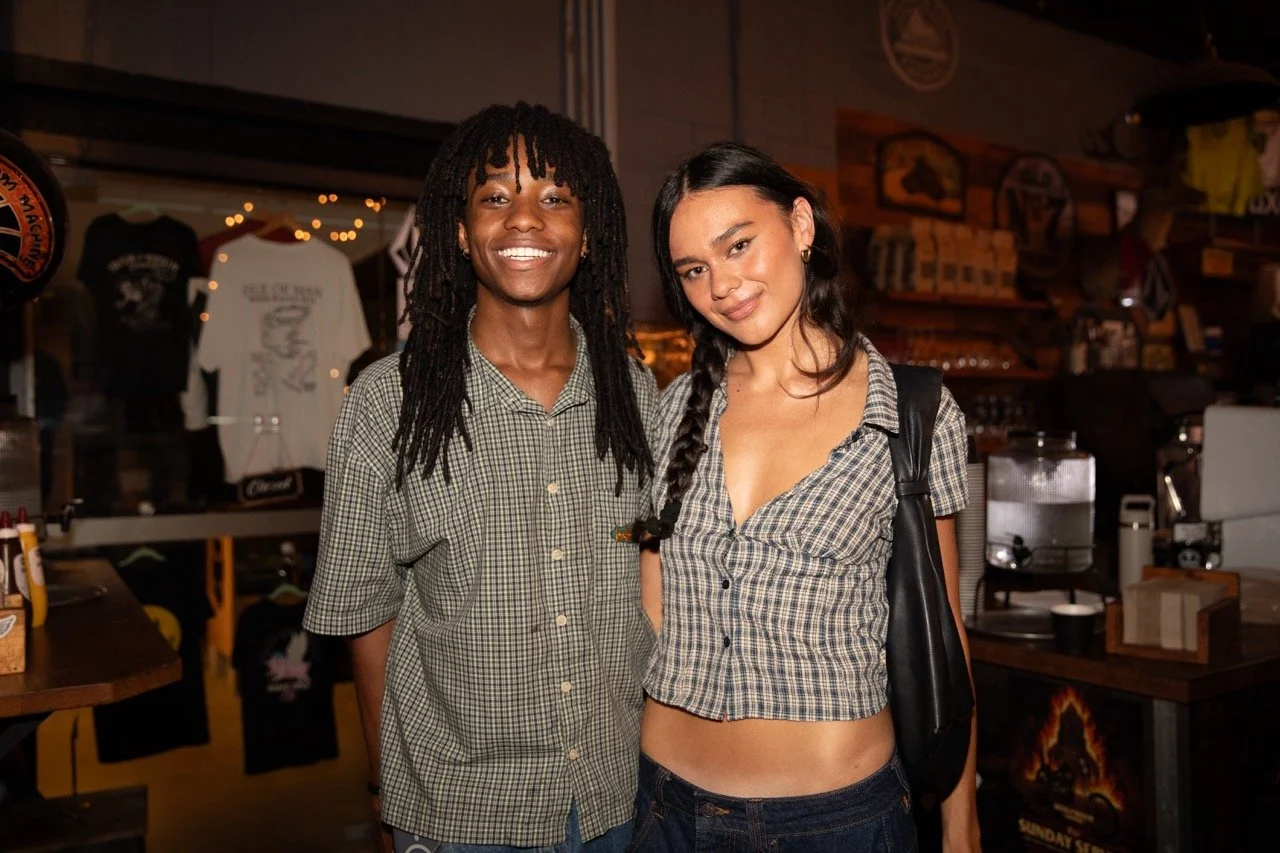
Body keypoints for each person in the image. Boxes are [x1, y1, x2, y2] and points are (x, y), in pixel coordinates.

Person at [302, 102, 659, 853]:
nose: (524, 218)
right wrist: (385, 792)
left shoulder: (636, 395)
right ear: (461, 233)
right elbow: (367, 616)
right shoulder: (388, 402)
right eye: (495, 196)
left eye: (555, 197)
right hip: (460, 814)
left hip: (620, 797)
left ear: (588, 233)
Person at [632, 142, 980, 852]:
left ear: (800, 224)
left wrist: (961, 824)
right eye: (694, 269)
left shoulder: (909, 412)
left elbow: (943, 632)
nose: (722, 284)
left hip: (839, 819)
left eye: (738, 245)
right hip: (668, 809)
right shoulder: (674, 409)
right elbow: (652, 610)